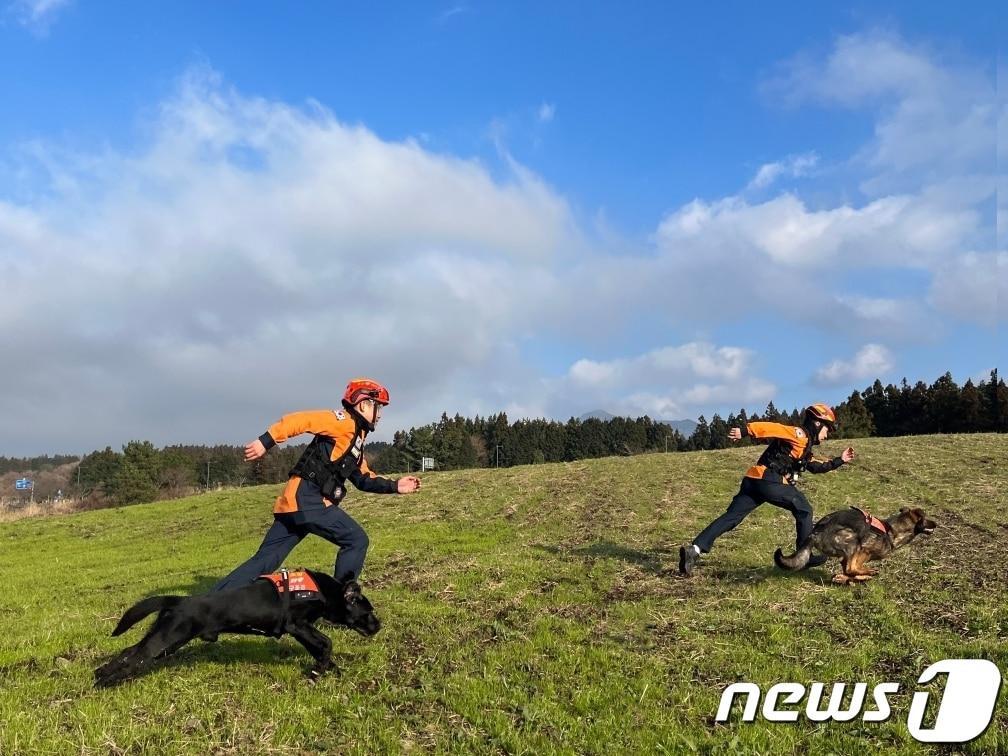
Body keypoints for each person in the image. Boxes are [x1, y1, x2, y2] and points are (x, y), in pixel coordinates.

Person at [212, 378, 421, 592]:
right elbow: (301, 420)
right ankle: (341, 604)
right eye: (379, 407)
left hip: (293, 505)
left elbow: (363, 478)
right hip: (309, 501)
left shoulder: (356, 441)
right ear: (363, 404)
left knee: (265, 561)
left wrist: (395, 486)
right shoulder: (343, 421)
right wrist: (267, 441)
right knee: (356, 540)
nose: (381, 414)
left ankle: (207, 604)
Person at [678, 403, 855, 576]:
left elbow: (817, 467)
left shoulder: (804, 448)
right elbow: (773, 428)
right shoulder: (799, 435)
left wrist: (840, 460)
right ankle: (803, 556)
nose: (827, 435)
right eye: (827, 429)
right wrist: (745, 430)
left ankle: (694, 550)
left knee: (731, 517)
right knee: (804, 509)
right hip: (769, 480)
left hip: (753, 480)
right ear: (817, 423)